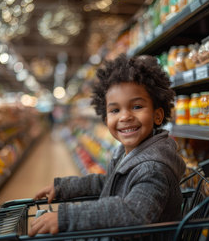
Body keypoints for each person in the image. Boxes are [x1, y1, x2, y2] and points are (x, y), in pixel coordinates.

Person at [29, 54, 186, 236]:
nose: (125, 116)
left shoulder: (153, 168)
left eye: (136, 107)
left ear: (158, 116)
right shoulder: (127, 152)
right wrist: (65, 187)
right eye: (115, 110)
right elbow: (110, 183)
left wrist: (66, 217)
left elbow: (134, 212)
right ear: (105, 118)